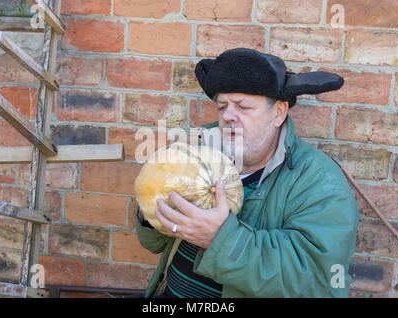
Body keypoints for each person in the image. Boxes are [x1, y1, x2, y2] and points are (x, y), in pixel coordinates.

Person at [135, 48, 359, 298]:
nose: (228, 116)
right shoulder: (199, 155)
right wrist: (152, 209)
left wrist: (220, 238)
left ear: (278, 113)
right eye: (222, 107)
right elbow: (154, 244)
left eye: (243, 107)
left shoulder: (320, 182)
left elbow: (317, 281)